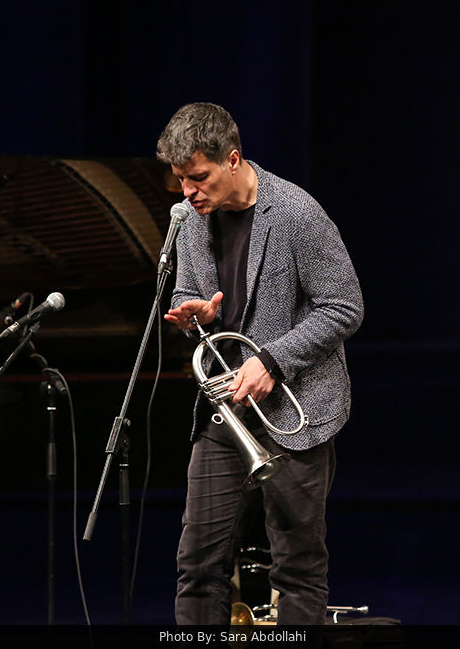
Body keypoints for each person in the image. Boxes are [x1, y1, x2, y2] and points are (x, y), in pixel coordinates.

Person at [157, 102, 364, 626]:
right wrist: (195, 312)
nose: (187, 192)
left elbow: (344, 307)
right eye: (181, 179)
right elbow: (187, 290)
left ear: (232, 159)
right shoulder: (191, 219)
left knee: (297, 568)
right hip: (227, 411)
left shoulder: (296, 212)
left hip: (295, 411)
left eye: (198, 177)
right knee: (197, 566)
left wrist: (273, 360)